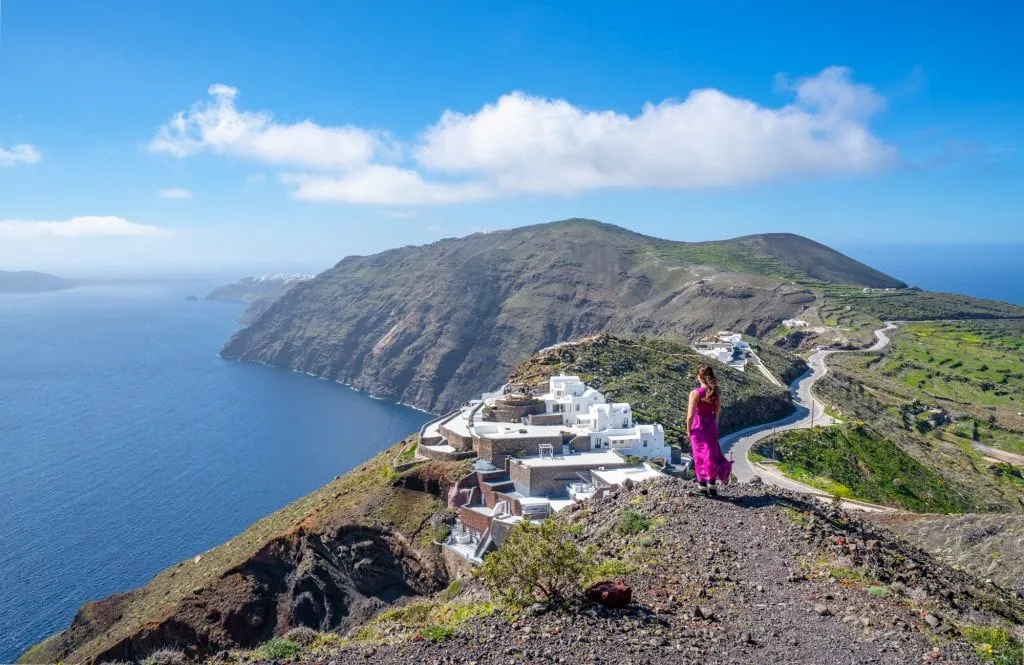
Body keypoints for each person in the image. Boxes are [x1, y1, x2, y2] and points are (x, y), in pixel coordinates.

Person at [687, 364, 732, 496]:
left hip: (698, 426)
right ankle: (712, 486)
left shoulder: (695, 393)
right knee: (711, 455)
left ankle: (702, 487)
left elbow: (690, 416)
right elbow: (717, 413)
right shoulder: (715, 393)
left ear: (699, 377)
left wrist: (688, 430)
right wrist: (713, 424)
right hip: (711, 425)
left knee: (699, 456)